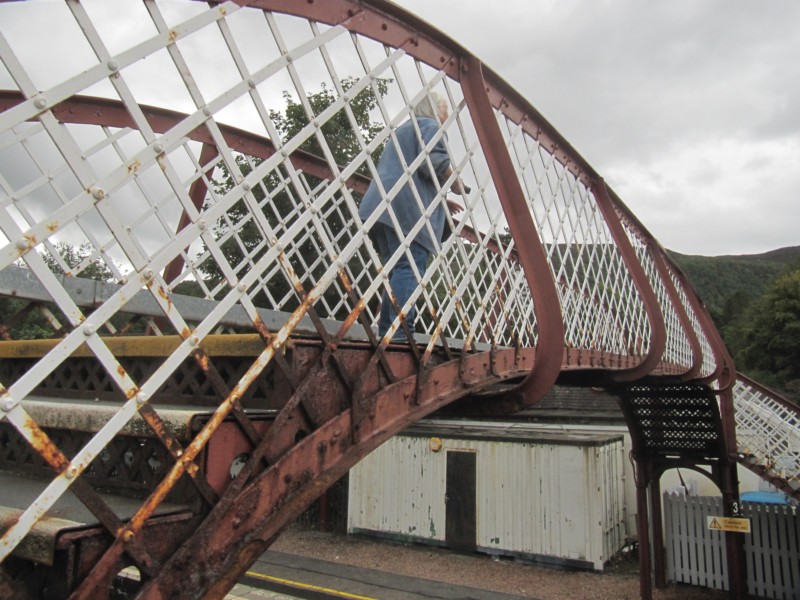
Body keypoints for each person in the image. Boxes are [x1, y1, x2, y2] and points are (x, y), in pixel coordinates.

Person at [358, 91, 466, 342]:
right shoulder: (429, 125)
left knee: (397, 269)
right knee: (410, 267)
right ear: (435, 109)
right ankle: (398, 332)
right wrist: (455, 182)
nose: (447, 114)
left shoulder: (403, 130)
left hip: (381, 205)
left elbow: (410, 169)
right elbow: (434, 161)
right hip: (406, 209)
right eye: (445, 108)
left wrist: (439, 199)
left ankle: (389, 330)